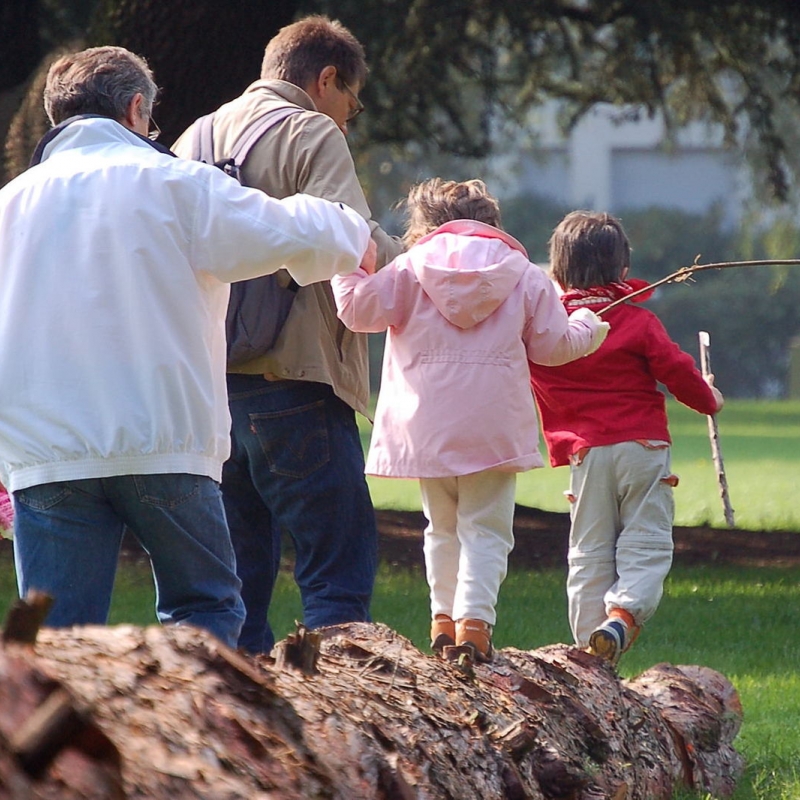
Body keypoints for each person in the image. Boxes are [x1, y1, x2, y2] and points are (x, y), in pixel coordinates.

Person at [0, 45, 375, 648]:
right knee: (202, 617)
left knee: (56, 646)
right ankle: (203, 741)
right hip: (164, 441)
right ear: (136, 107)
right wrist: (348, 226)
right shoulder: (174, 184)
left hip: (46, 454)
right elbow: (289, 232)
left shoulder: (9, 204)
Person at [173, 15, 404, 655]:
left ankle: (244, 723)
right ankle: (346, 711)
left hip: (213, 382)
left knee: (238, 582)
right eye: (350, 105)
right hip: (295, 377)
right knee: (336, 569)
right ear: (326, 79)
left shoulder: (196, 133)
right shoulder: (310, 129)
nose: (348, 121)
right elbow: (349, 238)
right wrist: (411, 253)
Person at [332, 179, 609, 661]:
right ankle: (474, 625)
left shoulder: (409, 268)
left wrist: (349, 262)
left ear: (425, 224)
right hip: (493, 427)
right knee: (486, 529)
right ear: (491, 222)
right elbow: (554, 346)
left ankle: (442, 619)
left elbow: (357, 311)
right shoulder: (522, 272)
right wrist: (589, 325)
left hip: (425, 424)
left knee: (440, 527)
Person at [529, 211, 724, 666]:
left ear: (556, 270)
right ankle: (621, 617)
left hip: (584, 454)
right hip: (642, 449)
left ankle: (587, 655)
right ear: (621, 268)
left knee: (588, 551)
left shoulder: (545, 329)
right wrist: (709, 397)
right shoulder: (638, 322)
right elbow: (677, 372)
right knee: (646, 542)